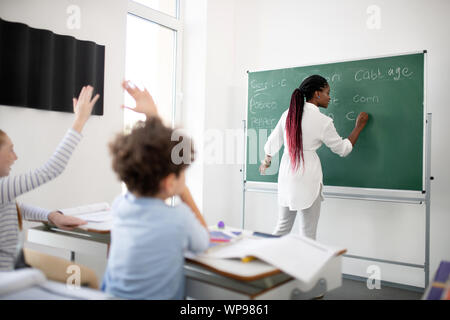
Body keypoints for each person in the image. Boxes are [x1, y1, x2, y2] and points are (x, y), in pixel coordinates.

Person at [101, 81, 209, 300]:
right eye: (183, 173)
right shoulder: (179, 218)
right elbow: (203, 241)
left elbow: (146, 152)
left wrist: (153, 118)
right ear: (170, 182)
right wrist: (184, 193)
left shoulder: (120, 205)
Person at [0, 85, 100, 270]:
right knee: (85, 280)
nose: (15, 157)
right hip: (8, 280)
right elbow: (51, 170)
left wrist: (51, 216)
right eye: (10, 150)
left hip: (15, 267)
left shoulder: (3, 193)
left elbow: (14, 207)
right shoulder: (1, 188)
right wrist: (79, 120)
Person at [259, 75, 369, 240]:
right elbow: (343, 149)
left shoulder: (288, 114)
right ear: (317, 94)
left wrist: (266, 162)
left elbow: (272, 143)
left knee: (282, 228)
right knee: (308, 235)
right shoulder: (323, 121)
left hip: (287, 177)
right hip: (307, 178)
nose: (329, 97)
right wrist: (359, 127)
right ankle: (304, 265)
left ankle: (264, 259)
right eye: (327, 92)